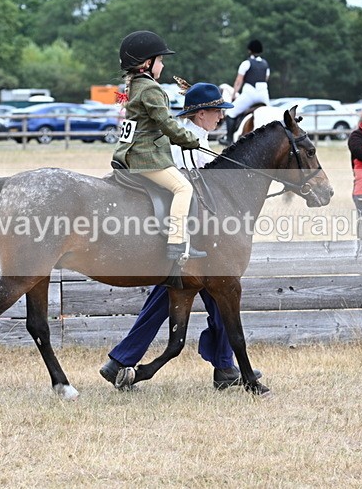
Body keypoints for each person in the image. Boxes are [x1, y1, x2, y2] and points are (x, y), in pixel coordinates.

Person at [101, 82, 261, 389]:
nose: (221, 118)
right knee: (210, 296)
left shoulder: (199, 138)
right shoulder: (182, 145)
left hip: (197, 241)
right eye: (217, 112)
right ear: (201, 114)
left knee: (220, 298)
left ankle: (225, 367)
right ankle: (123, 360)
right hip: (179, 238)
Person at [112, 30, 205, 261]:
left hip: (127, 152)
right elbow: (166, 123)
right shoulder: (150, 88)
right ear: (147, 63)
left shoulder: (133, 85)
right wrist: (190, 141)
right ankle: (177, 243)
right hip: (146, 156)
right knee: (184, 188)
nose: (162, 66)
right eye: (160, 60)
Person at [221, 39, 270, 143]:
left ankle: (229, 140)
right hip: (264, 94)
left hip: (250, 94)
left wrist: (234, 95)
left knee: (230, 112)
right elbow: (266, 78)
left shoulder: (246, 63)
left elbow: (238, 81)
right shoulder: (266, 64)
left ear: (249, 50)